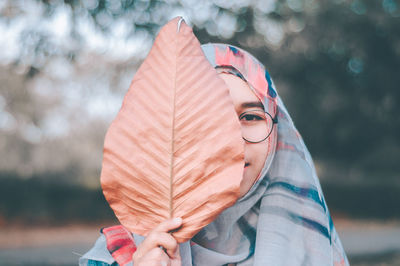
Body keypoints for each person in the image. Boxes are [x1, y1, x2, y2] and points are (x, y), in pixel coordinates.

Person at [80, 43, 349, 266]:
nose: (232, 139)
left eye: (251, 116)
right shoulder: (124, 256)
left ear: (277, 135)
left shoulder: (312, 247)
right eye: (209, 117)